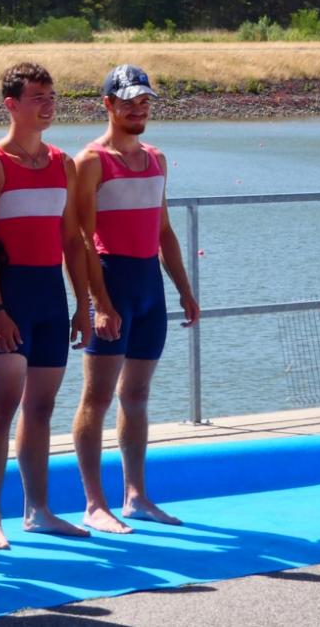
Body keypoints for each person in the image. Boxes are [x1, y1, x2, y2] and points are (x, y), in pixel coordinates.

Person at [0, 62, 92, 550]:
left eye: (51, 95)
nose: (48, 104)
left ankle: (37, 510)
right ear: (11, 105)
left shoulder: (63, 163)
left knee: (41, 407)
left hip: (50, 298)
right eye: (37, 97)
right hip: (10, 297)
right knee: (0, 408)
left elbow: (73, 240)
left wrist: (83, 304)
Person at [71, 65, 201, 532]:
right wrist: (99, 302)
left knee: (138, 395)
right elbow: (81, 239)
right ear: (108, 104)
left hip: (149, 287)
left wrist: (185, 289)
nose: (138, 109)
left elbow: (164, 231)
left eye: (144, 101)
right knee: (97, 397)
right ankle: (94, 503)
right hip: (112, 283)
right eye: (128, 102)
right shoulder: (90, 161)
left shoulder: (156, 158)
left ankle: (136, 495)